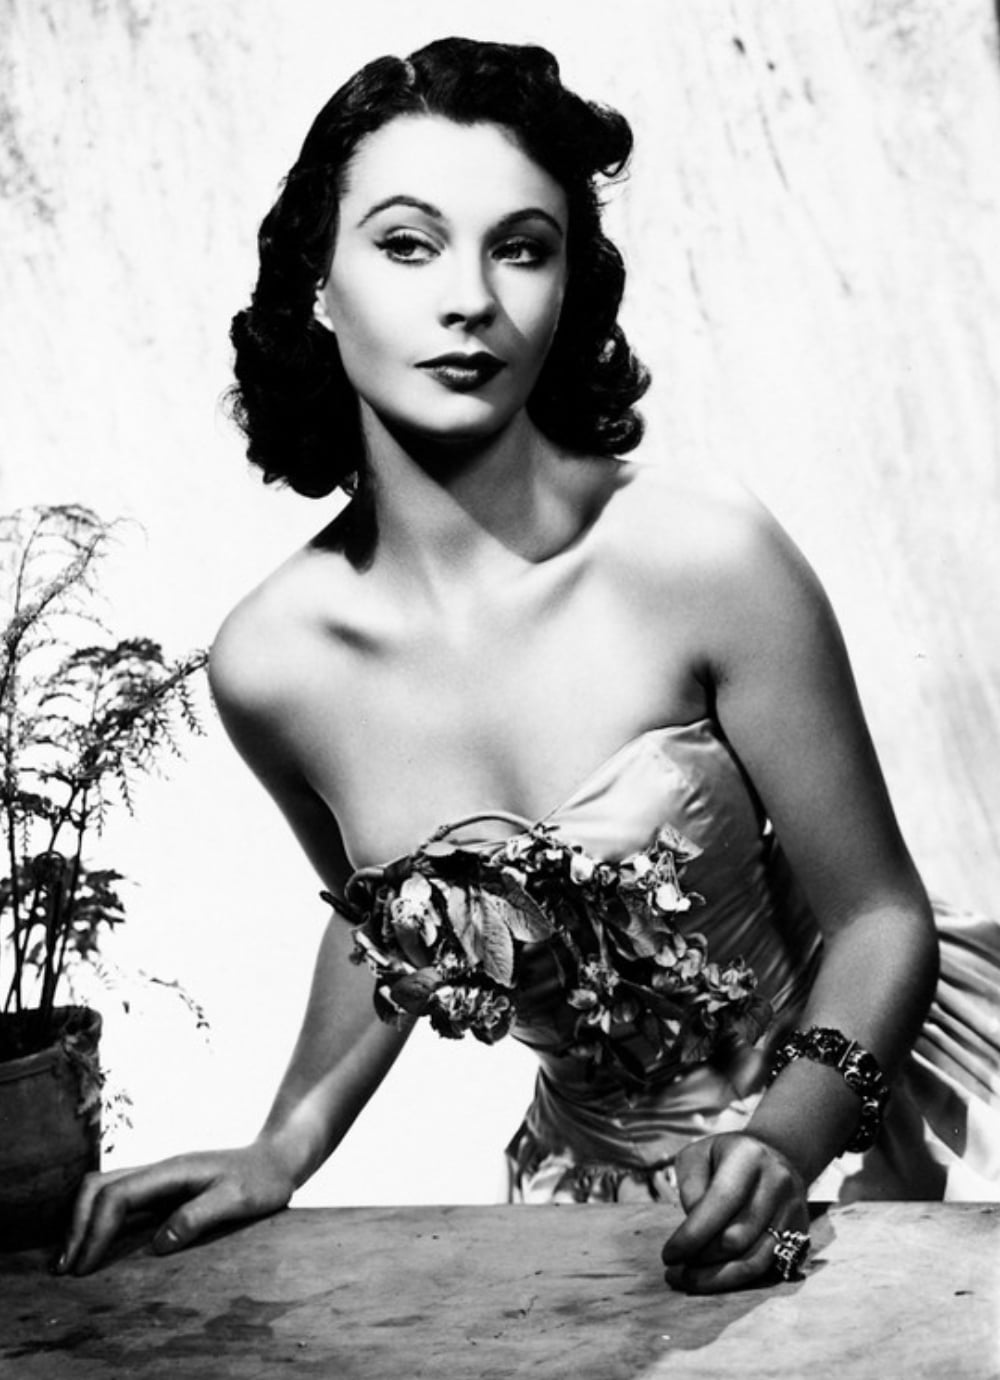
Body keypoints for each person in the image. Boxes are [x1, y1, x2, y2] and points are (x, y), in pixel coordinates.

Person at [58, 36, 1000, 1292]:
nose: (470, 299)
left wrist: (785, 1140)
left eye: (521, 247)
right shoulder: (272, 663)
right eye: (407, 245)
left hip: (870, 1120)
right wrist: (285, 1142)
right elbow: (389, 919)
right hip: (584, 1193)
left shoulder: (698, 551)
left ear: (566, 289)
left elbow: (879, 917)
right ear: (317, 283)